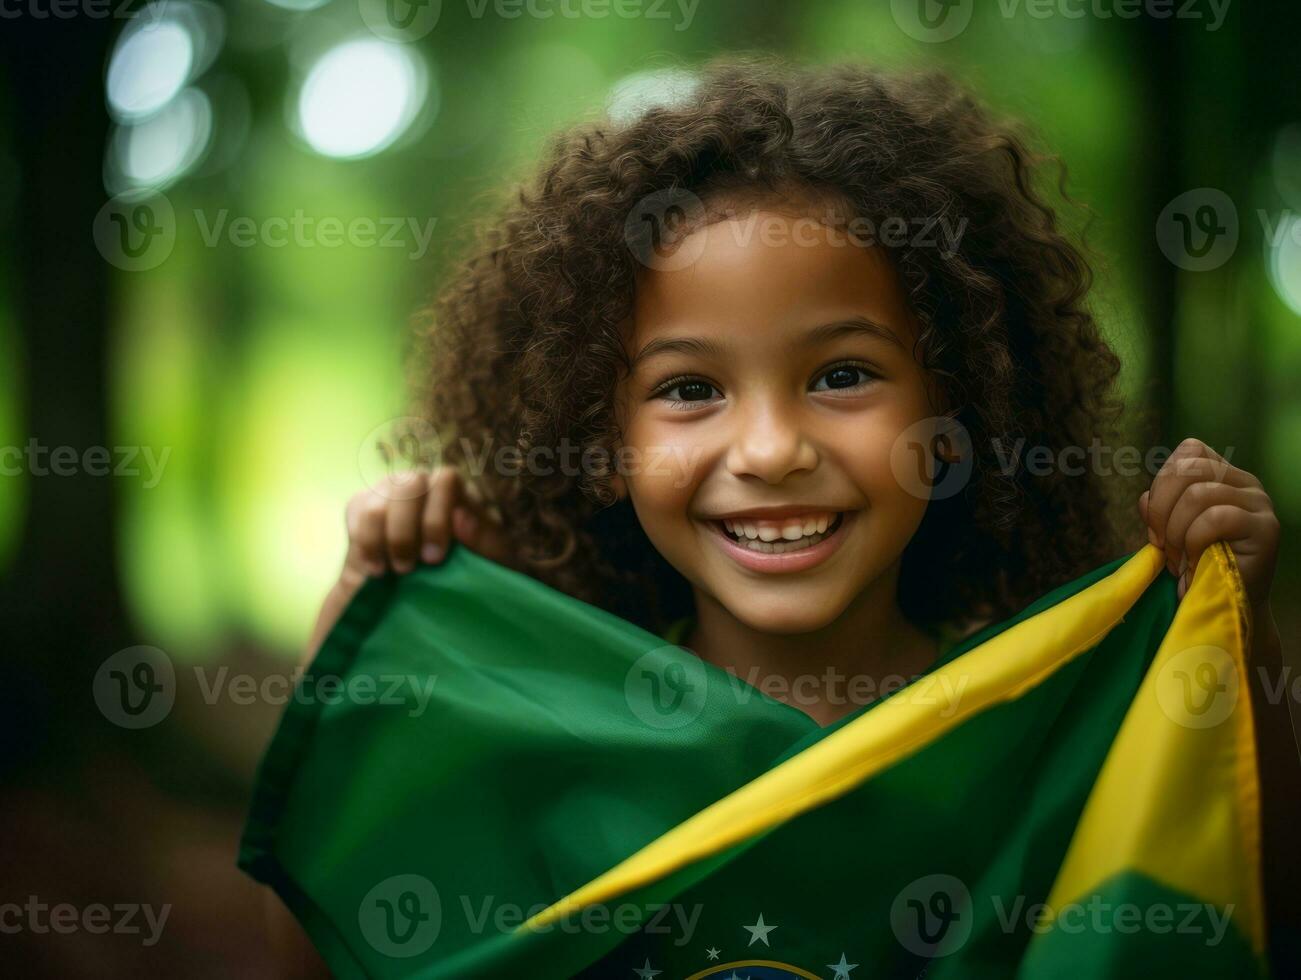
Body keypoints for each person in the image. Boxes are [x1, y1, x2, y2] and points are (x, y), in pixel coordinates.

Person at [265, 54, 1295, 975]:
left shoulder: (1044, 728)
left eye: (841, 374)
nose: (767, 450)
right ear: (604, 443)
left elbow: (1235, 897)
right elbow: (342, 904)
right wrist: (373, 604)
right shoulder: (559, 738)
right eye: (686, 389)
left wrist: (1233, 630)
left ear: (951, 420)